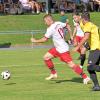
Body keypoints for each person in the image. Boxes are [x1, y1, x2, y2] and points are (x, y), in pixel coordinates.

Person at [31, 14, 90, 84]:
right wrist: (71, 35)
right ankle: (53, 73)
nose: (45, 23)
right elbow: (67, 25)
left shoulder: (50, 29)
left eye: (45, 21)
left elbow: (44, 39)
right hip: (58, 48)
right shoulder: (58, 23)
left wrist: (35, 41)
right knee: (46, 57)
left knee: (71, 64)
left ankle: (85, 77)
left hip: (63, 50)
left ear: (48, 20)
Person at [74, 12, 100, 91]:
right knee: (90, 68)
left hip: (96, 48)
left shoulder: (88, 25)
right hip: (94, 47)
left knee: (90, 66)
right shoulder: (90, 24)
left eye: (78, 17)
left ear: (82, 18)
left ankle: (96, 86)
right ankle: (96, 86)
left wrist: (78, 46)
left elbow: (86, 37)